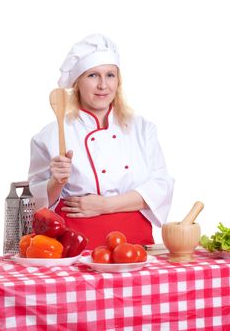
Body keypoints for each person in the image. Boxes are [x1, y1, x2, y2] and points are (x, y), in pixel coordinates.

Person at [28, 33, 174, 249]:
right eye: (93, 76)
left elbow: (161, 188)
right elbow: (34, 204)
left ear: (119, 80)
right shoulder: (50, 136)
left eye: (110, 75)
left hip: (135, 245)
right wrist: (55, 183)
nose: (103, 85)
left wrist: (105, 205)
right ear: (78, 82)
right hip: (75, 246)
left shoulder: (142, 129)